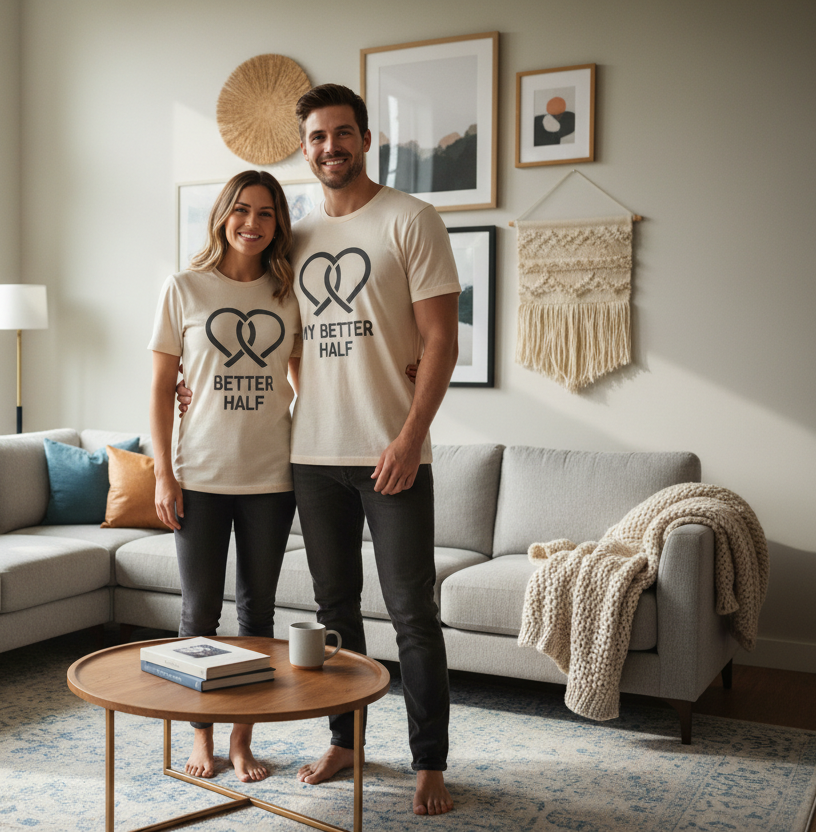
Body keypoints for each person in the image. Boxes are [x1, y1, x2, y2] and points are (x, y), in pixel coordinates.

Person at [177, 84, 461, 815]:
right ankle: (346, 737)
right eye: (316, 137)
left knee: (411, 614)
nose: (329, 147)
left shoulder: (411, 219)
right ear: (304, 148)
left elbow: (440, 341)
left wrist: (409, 436)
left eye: (342, 133)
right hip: (309, 457)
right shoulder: (295, 236)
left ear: (366, 140)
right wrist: (197, 386)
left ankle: (429, 759)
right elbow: (273, 337)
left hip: (392, 455)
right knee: (335, 612)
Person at [148, 169, 303, 783]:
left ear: (278, 224)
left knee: (257, 617)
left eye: (266, 214)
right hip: (200, 477)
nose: (251, 223)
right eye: (241, 210)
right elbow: (161, 392)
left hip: (272, 479)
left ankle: (242, 741)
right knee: (198, 616)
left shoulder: (289, 294)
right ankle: (202, 737)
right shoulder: (184, 289)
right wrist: (165, 475)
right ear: (221, 215)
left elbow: (309, 379)